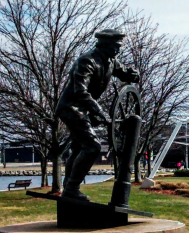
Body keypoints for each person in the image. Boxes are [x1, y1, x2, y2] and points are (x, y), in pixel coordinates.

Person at [55, 29, 139, 201]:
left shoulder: (110, 61)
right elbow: (80, 91)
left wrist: (132, 74)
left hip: (83, 109)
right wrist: (99, 112)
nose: (118, 50)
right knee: (92, 146)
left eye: (119, 47)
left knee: (79, 148)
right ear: (104, 45)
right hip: (72, 108)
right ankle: (71, 188)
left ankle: (68, 189)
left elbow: (123, 73)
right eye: (116, 46)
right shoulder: (87, 61)